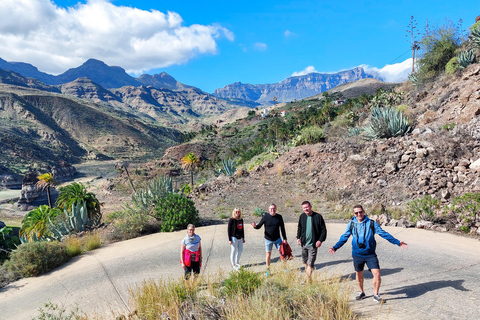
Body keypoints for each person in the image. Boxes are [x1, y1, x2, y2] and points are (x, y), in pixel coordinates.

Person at [328, 205, 408, 303]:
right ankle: (361, 292)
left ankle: (376, 294)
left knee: (377, 274)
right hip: (357, 254)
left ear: (364, 211)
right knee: (359, 273)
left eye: (360, 212)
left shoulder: (371, 223)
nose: (359, 214)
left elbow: (384, 234)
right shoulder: (352, 224)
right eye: (356, 213)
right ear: (354, 214)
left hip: (370, 254)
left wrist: (397, 242)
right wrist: (335, 247)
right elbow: (344, 237)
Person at [251, 203, 288, 275]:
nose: (272, 210)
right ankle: (268, 269)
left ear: (276, 209)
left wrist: (285, 238)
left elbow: (282, 228)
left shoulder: (279, 217)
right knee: (268, 254)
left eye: (274, 208)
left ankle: (284, 268)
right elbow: (259, 226)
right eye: (271, 209)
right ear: (269, 210)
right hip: (268, 239)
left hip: (278, 239)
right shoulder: (265, 217)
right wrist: (255, 226)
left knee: (283, 253)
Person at [296, 200, 327, 282]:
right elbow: (299, 228)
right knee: (306, 262)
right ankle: (309, 279)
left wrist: (320, 240)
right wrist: (298, 238)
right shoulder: (302, 216)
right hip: (304, 244)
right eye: (304, 208)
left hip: (313, 245)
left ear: (310, 207)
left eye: (307, 207)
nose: (306, 209)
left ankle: (308, 281)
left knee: (310, 264)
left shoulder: (318, 217)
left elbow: (323, 230)